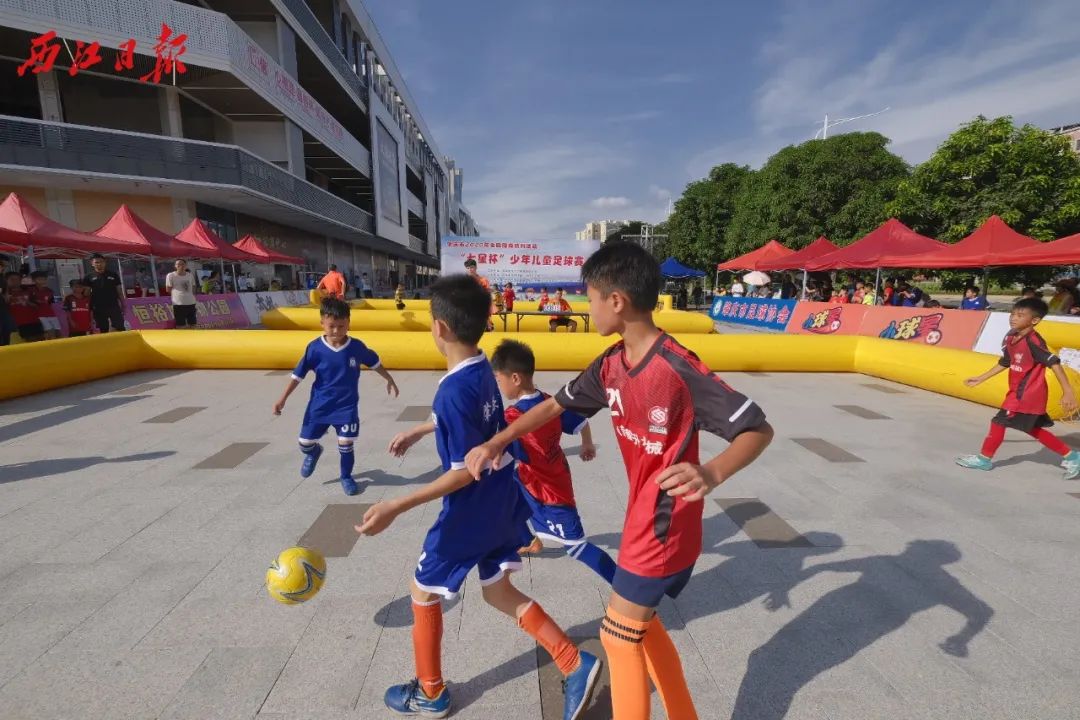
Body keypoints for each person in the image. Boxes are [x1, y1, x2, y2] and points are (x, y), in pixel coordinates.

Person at [465, 243, 773, 719]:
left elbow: (757, 428)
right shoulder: (610, 363)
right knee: (642, 630)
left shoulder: (675, 366)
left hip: (665, 525)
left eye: (589, 296)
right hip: (640, 519)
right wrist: (497, 441)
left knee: (616, 634)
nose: (586, 307)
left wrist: (711, 471)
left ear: (617, 301)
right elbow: (552, 406)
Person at [356, 275, 601, 719]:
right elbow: (467, 416)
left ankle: (431, 693)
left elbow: (461, 475)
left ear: (439, 328)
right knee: (496, 591)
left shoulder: (453, 388)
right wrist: (421, 429)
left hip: (470, 512)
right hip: (505, 500)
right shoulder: (485, 371)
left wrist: (396, 504)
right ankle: (573, 661)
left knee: (423, 592)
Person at [490, 339, 615, 581]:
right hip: (530, 478)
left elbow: (497, 439)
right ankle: (528, 541)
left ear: (514, 378)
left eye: (498, 379)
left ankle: (624, 588)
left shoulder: (513, 416)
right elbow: (581, 422)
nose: (498, 384)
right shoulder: (551, 402)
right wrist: (586, 443)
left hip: (550, 491)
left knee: (577, 547)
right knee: (503, 498)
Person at [273, 297, 399, 496]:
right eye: (331, 326)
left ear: (348, 323)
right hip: (319, 406)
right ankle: (314, 452)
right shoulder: (314, 348)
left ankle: (346, 476)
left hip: (346, 407)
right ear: (322, 323)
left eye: (341, 326)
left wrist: (389, 378)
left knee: (346, 444)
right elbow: (298, 375)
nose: (336, 331)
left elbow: (374, 362)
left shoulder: (356, 347)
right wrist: (282, 399)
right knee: (304, 443)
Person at [957, 298, 1080, 478]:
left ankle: (984, 459)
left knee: (998, 421)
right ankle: (1073, 456)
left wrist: (1068, 391)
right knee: (1031, 429)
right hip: (1017, 392)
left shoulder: (1034, 341)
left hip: (1027, 394)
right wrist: (981, 378)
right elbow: (1005, 362)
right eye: (1013, 314)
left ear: (1034, 320)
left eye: (1020, 315)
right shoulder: (1011, 337)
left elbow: (1055, 363)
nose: (1013, 318)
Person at [83, 254, 125, 333]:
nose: (99, 264)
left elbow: (119, 291)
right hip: (98, 307)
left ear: (105, 262)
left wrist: (123, 304)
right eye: (97, 262)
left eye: (101, 262)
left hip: (113, 305)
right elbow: (86, 294)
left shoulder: (113, 275)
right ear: (92, 263)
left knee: (120, 326)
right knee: (103, 328)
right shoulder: (88, 277)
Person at [5, 271, 42, 342]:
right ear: (6, 280)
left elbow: (37, 306)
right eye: (12, 279)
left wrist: (27, 302)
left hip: (34, 322)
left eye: (17, 279)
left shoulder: (29, 291)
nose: (15, 281)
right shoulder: (4, 295)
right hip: (17, 325)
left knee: (39, 342)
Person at [166, 259, 198, 329]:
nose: (180, 266)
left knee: (193, 324)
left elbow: (193, 287)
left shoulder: (190, 275)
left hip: (191, 303)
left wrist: (190, 295)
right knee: (181, 325)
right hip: (178, 304)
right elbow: (168, 289)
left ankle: (194, 339)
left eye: (182, 264)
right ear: (175, 266)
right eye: (178, 264)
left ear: (186, 266)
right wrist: (177, 295)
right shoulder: (171, 275)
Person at [30, 271, 59, 340]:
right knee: (49, 333)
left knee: (58, 332)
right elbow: (29, 302)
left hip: (51, 314)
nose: (42, 281)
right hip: (40, 315)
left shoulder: (50, 291)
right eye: (39, 279)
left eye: (44, 279)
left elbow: (50, 303)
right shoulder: (31, 290)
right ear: (34, 280)